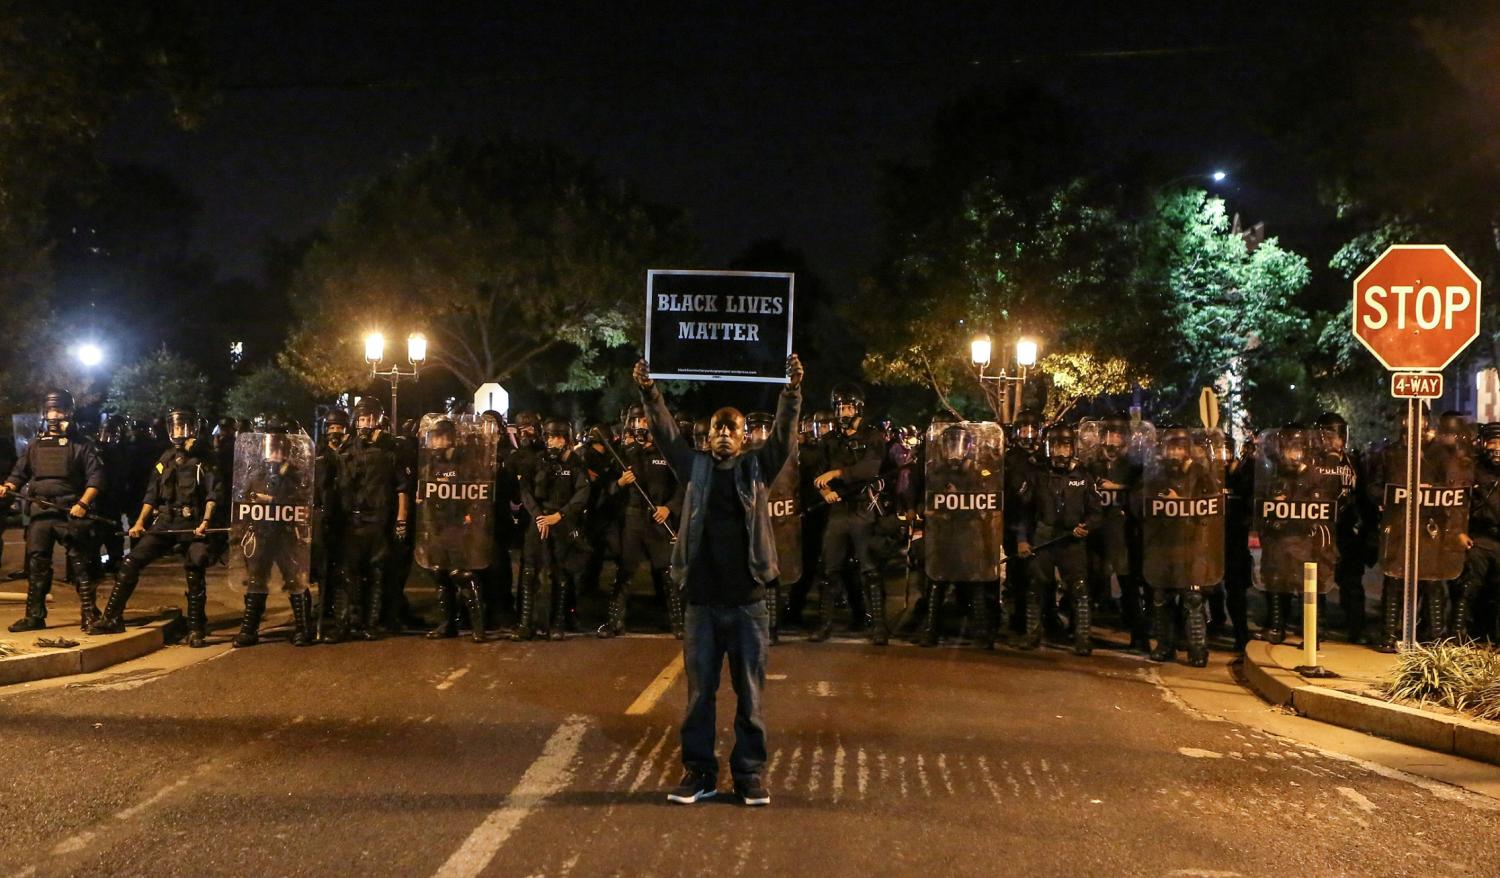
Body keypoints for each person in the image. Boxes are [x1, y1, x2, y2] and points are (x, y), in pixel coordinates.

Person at [634, 354, 802, 807]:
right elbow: (666, 435)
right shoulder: (695, 469)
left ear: (745, 437)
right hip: (702, 603)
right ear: (707, 437)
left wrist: (791, 393)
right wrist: (651, 393)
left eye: (732, 428)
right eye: (717, 429)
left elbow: (785, 437)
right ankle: (700, 773)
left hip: (748, 602)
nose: (724, 434)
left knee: (750, 696)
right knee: (699, 695)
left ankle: (748, 774)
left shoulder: (756, 469)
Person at [94, 408, 222, 645]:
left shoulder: (205, 460)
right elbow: (151, 495)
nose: (179, 432)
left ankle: (196, 628)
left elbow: (213, 494)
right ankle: (111, 618)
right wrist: (140, 523)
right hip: (165, 522)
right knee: (131, 562)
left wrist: (205, 523)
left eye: (183, 427)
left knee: (194, 570)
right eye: (175, 427)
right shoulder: (165, 459)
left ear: (194, 428)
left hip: (193, 523)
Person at [0, 390, 106, 632]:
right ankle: (34, 616)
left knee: (80, 563)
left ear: (68, 412)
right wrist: (8, 486)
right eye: (50, 410)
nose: (54, 415)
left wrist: (83, 504)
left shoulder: (81, 445)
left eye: (59, 410)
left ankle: (90, 613)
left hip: (69, 510)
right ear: (44, 413)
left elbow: (96, 479)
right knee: (37, 564)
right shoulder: (35, 446)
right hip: (40, 511)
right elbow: (19, 473)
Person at [809, 384, 887, 644]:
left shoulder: (873, 436)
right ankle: (825, 625)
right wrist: (825, 491)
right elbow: (817, 474)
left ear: (858, 408)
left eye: (849, 406)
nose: (844, 411)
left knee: (870, 570)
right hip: (838, 510)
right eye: (841, 407)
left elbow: (870, 468)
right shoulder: (829, 441)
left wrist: (838, 473)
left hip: (863, 508)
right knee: (830, 569)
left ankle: (879, 627)